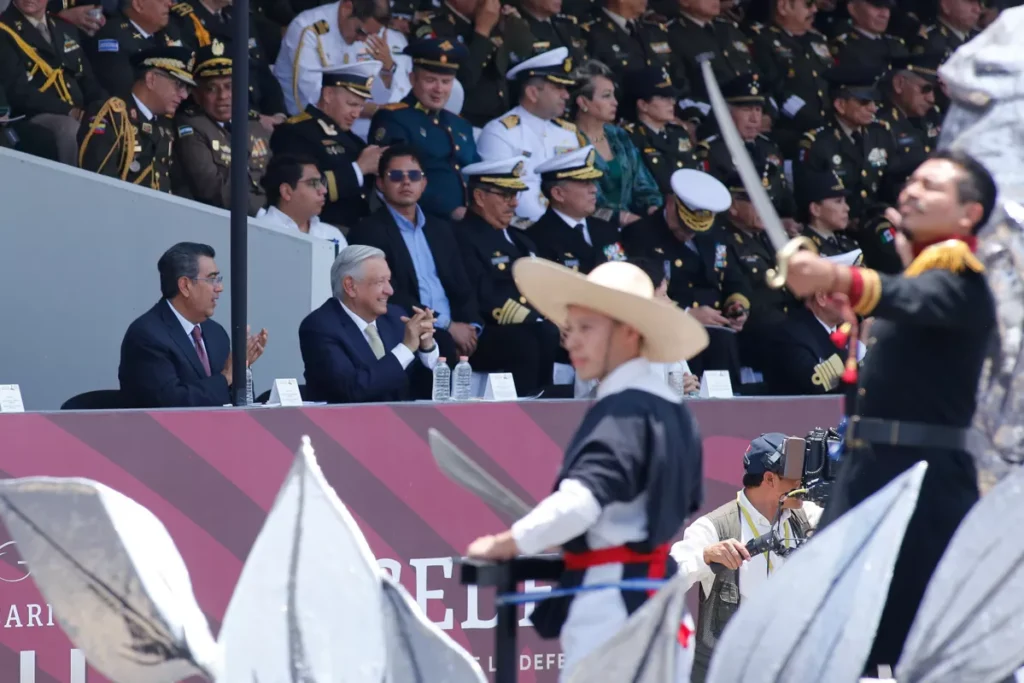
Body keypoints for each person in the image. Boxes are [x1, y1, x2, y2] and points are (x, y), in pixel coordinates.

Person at [783, 149, 998, 670]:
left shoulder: (962, 280)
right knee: (843, 634)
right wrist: (854, 319)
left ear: (969, 214)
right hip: (873, 473)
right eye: (913, 181)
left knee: (912, 642)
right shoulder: (921, 289)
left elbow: (917, 298)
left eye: (932, 186)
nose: (912, 191)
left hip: (919, 483)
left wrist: (836, 278)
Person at [465, 256, 707, 681]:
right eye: (570, 328)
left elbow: (581, 502)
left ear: (630, 332)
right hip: (656, 608)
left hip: (614, 615)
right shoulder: (673, 410)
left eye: (587, 328)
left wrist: (510, 541)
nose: (572, 341)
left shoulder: (625, 409)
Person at [671, 433, 823, 682]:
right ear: (770, 479)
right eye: (797, 474)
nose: (804, 481)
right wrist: (705, 556)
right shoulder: (713, 527)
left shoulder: (806, 516)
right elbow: (668, 577)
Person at [346, 145, 483, 369]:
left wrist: (472, 328)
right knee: (444, 344)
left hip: (457, 328)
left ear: (424, 183)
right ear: (380, 183)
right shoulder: (369, 231)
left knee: (527, 339)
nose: (406, 182)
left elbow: (463, 284)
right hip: (408, 327)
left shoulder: (442, 228)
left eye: (414, 175)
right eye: (396, 176)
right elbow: (392, 294)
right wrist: (449, 327)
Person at [622, 168, 749, 389]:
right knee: (715, 341)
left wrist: (736, 306)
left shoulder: (714, 235)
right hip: (668, 321)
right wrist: (688, 313)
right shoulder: (641, 235)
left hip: (718, 321)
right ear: (671, 204)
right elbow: (640, 290)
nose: (690, 233)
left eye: (696, 229)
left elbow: (732, 277)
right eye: (685, 225)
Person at [457, 157, 562, 396]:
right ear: (480, 197)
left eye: (516, 195)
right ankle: (526, 412)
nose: (514, 203)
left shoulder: (519, 238)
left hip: (532, 326)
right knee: (532, 338)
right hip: (488, 329)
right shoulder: (464, 236)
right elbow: (484, 294)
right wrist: (538, 318)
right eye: (505, 195)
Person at [119, 242, 268, 408]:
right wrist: (227, 376)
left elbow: (238, 402)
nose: (220, 288)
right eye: (212, 279)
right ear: (185, 285)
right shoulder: (147, 336)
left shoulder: (215, 333)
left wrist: (242, 368)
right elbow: (170, 403)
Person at [298, 244, 439, 403]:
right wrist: (406, 349)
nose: (390, 290)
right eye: (380, 282)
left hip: (401, 423)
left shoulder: (395, 317)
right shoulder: (319, 327)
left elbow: (419, 389)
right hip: (345, 425)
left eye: (389, 280)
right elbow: (352, 390)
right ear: (350, 286)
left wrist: (426, 348)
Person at [367, 37, 479, 222]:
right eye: (430, 80)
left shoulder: (461, 125)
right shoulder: (394, 118)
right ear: (412, 79)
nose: (439, 89)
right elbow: (395, 179)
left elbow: (476, 174)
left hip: (469, 224)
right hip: (423, 221)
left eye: (446, 81)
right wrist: (451, 210)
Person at [269, 60, 383, 230]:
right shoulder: (296, 131)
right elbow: (297, 188)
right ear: (328, 94)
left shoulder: (352, 139)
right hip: (319, 228)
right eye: (352, 104)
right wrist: (359, 169)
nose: (356, 114)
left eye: (361, 106)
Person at [476, 46, 581, 224]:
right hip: (522, 228)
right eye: (558, 87)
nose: (566, 95)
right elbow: (499, 195)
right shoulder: (500, 132)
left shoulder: (568, 133)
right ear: (532, 93)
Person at [0, 0, 109, 165]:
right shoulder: (4, 30)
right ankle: (71, 188)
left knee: (112, 125)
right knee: (69, 129)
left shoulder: (64, 27)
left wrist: (105, 108)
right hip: (32, 115)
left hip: (77, 111)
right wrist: (69, 111)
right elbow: (17, 91)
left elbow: (87, 79)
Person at [173, 38, 272, 216]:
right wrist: (262, 214)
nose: (223, 96)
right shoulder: (191, 125)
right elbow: (210, 187)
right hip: (220, 220)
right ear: (196, 94)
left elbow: (273, 176)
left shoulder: (253, 124)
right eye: (212, 89)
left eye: (229, 87)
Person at [77, 45, 192, 191]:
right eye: (179, 84)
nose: (184, 95)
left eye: (187, 88)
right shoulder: (112, 115)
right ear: (151, 79)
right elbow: (100, 181)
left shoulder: (166, 128)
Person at [571, 59, 662, 224]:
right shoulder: (568, 140)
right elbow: (572, 203)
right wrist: (620, 218)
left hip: (633, 226)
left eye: (613, 95)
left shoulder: (619, 136)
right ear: (583, 102)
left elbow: (645, 186)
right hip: (591, 228)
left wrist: (653, 208)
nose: (615, 102)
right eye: (606, 96)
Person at [525, 145, 626, 272]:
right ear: (558, 194)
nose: (594, 189)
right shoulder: (537, 238)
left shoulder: (606, 229)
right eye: (585, 183)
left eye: (593, 182)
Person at [620, 66, 700, 195]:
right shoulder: (632, 138)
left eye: (672, 97)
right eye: (663, 97)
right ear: (643, 105)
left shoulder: (679, 133)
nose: (672, 102)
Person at [83, 0, 186, 95]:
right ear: (138, 5)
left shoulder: (169, 31)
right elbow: (123, 92)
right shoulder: (113, 37)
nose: (169, 3)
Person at [257, 153, 348, 247]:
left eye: (321, 182)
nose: (324, 190)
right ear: (287, 191)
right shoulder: (258, 232)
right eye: (313, 183)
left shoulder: (332, 234)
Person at [797, 170, 860, 258]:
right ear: (815, 209)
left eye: (845, 201)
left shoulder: (847, 244)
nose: (847, 208)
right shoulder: (804, 248)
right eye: (838, 201)